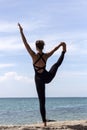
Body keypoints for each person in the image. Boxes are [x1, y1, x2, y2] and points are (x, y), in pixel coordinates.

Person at [18, 23, 66, 126]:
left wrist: (21, 31)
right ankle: (64, 52)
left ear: (36, 47)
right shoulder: (46, 55)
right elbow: (55, 49)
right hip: (47, 77)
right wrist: (61, 45)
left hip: (38, 79)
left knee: (42, 101)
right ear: (43, 47)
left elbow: (25, 43)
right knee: (56, 65)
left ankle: (44, 123)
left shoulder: (33, 55)